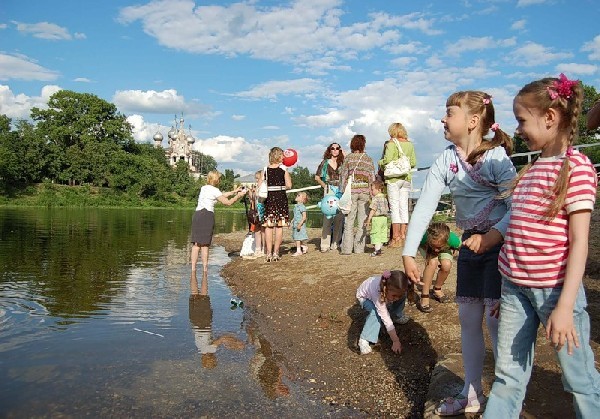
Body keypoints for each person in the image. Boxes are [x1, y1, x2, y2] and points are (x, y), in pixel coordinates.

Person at [483, 75, 600, 418]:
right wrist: (507, 290)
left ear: (550, 117)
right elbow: (518, 228)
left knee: (578, 377)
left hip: (555, 291)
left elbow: (579, 243)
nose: (517, 129)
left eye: (522, 120)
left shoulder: (575, 168)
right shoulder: (530, 170)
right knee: (507, 376)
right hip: (514, 289)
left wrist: (565, 307)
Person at [402, 91, 516, 416]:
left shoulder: (496, 159)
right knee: (467, 320)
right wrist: (409, 252)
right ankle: (472, 392)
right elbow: (426, 204)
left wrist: (495, 236)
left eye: (449, 112)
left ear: (473, 121)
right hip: (468, 247)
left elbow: (517, 206)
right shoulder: (445, 160)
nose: (442, 118)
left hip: (498, 251)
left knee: (496, 326)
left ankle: (505, 400)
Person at [191, 170, 247, 274]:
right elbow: (228, 202)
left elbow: (220, 195)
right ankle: (204, 270)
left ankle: (193, 269)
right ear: (217, 180)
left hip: (197, 215)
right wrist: (238, 196)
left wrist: (234, 192)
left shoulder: (204, 188)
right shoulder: (215, 190)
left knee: (196, 244)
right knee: (205, 245)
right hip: (207, 216)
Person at [355, 270, 413, 355]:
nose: (396, 298)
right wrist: (395, 340)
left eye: (397, 296)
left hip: (380, 293)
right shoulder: (378, 293)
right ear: (386, 289)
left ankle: (396, 315)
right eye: (394, 296)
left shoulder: (391, 287)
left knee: (403, 296)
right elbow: (385, 318)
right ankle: (364, 338)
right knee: (375, 313)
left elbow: (398, 294)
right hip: (364, 298)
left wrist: (397, 296)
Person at [378, 122, 417, 247]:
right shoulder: (410, 145)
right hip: (406, 179)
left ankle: (395, 237)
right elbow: (413, 162)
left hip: (393, 179)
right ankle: (403, 235)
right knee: (403, 208)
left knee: (394, 208)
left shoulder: (391, 144)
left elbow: (387, 160)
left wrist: (380, 162)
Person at [339, 135, 375, 254]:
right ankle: (359, 249)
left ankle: (347, 249)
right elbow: (372, 177)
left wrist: (342, 190)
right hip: (364, 192)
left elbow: (343, 175)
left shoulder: (349, 158)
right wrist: (372, 192)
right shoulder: (368, 159)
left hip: (351, 193)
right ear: (363, 144)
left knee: (349, 221)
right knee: (362, 222)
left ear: (352, 144)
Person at [415, 222, 461, 313]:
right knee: (432, 262)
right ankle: (425, 295)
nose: (436, 250)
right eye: (434, 246)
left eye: (438, 247)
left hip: (445, 247)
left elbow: (461, 248)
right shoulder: (424, 238)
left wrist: (453, 248)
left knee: (446, 265)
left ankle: (437, 289)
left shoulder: (453, 239)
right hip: (426, 246)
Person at [258, 147, 292, 262]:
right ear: (278, 156)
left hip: (269, 200)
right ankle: (276, 253)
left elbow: (259, 186)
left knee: (268, 227)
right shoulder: (283, 169)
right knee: (279, 226)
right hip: (281, 199)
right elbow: (289, 185)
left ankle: (268, 253)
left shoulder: (265, 170)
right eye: (282, 155)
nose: (284, 157)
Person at [315, 143, 345, 252]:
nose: (335, 150)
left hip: (341, 190)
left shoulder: (343, 163)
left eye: (337, 148)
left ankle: (336, 243)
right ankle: (325, 244)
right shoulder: (325, 163)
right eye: (333, 148)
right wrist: (325, 187)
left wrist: (345, 155)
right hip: (329, 190)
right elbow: (317, 177)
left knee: (339, 218)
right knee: (327, 218)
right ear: (330, 150)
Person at [364, 179, 389, 257]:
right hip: (384, 219)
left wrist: (369, 219)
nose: (371, 192)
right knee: (382, 234)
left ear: (379, 189)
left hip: (377, 218)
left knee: (376, 234)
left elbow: (373, 209)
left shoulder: (375, 198)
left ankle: (377, 250)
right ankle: (379, 248)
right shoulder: (385, 198)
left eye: (372, 190)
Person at [252, 169, 266, 258]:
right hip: (257, 210)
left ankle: (264, 248)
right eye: (256, 179)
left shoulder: (264, 186)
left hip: (263, 209)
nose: (257, 180)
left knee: (263, 229)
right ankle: (258, 248)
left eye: (258, 178)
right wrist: (252, 193)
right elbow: (253, 198)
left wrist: (257, 193)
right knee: (257, 229)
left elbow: (263, 197)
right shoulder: (257, 186)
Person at [291, 191, 309, 256]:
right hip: (295, 224)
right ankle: (304, 247)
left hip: (299, 225)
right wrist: (292, 221)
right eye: (297, 195)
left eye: (299, 195)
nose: (297, 196)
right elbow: (296, 215)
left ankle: (299, 251)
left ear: (302, 199)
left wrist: (300, 224)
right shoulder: (296, 206)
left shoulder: (302, 207)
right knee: (296, 237)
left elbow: (304, 217)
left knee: (298, 238)